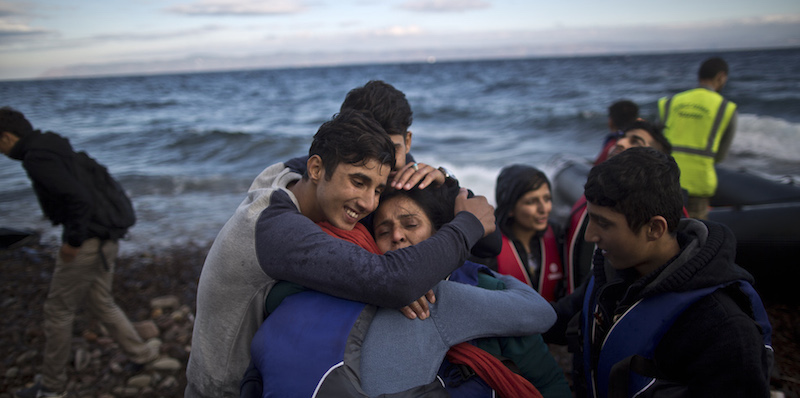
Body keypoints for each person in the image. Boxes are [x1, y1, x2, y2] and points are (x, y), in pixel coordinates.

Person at [186, 109, 496, 397]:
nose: (369, 204)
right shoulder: (276, 228)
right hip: (224, 389)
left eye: (377, 189)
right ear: (317, 168)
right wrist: (467, 225)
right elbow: (393, 281)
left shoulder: (286, 177)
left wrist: (435, 179)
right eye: (358, 182)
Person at [243, 181, 568, 397]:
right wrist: (380, 288)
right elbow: (280, 296)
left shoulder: (478, 286)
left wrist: (488, 273)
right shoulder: (357, 283)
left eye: (410, 224)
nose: (397, 236)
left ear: (444, 233)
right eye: (384, 230)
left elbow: (548, 379)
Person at [544, 147, 773, 398]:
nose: (590, 235)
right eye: (591, 219)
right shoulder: (609, 274)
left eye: (604, 223)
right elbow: (559, 317)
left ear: (654, 228)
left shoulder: (723, 327)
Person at [0, 107, 159, 398]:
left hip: (87, 242)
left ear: (8, 137)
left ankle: (51, 387)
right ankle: (142, 354)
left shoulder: (38, 158)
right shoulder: (55, 146)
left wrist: (72, 242)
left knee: (57, 311)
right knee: (101, 302)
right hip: (106, 237)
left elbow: (78, 200)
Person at [285, 79, 501, 258]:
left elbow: (491, 246)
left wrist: (448, 184)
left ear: (407, 141)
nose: (382, 166)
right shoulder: (322, 173)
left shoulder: (417, 180)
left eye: (393, 149)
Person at [564, 119, 672, 294]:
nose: (620, 142)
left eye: (635, 141)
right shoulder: (596, 197)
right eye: (622, 137)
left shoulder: (665, 211)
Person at [658, 57, 737, 220]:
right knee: (695, 236)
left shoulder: (671, 102)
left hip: (666, 180)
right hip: (698, 183)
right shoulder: (726, 108)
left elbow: (656, 141)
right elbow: (720, 156)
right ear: (721, 77)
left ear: (699, 76)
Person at [476, 165, 566, 302]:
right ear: (510, 208)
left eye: (547, 199)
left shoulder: (558, 235)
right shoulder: (488, 248)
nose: (544, 209)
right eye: (531, 202)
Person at [593, 99, 640, 165]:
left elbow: (597, 167)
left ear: (611, 122)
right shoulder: (642, 142)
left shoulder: (613, 146)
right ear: (638, 119)